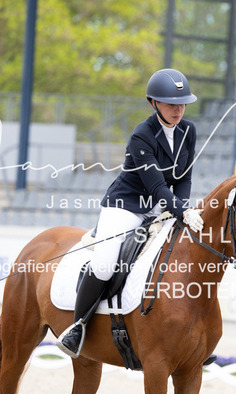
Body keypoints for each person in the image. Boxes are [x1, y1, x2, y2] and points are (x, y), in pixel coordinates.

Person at [57, 68, 204, 359]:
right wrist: (182, 212)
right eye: (171, 104)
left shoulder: (188, 131)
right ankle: (78, 327)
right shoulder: (141, 135)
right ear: (154, 103)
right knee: (104, 265)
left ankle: (190, 336)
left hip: (161, 207)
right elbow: (157, 186)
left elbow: (184, 178)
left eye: (182, 104)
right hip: (125, 205)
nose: (178, 110)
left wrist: (181, 208)